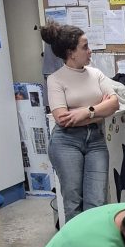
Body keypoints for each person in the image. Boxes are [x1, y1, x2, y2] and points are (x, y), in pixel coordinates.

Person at [42, 20, 119, 222]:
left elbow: (114, 104)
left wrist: (86, 112)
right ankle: (75, 242)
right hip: (66, 142)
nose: (90, 51)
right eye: (85, 47)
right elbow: (63, 119)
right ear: (71, 53)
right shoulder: (55, 79)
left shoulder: (96, 74)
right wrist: (100, 109)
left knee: (97, 201)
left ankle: (93, 241)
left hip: (96, 140)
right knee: (73, 202)